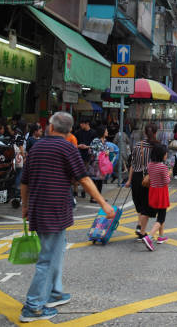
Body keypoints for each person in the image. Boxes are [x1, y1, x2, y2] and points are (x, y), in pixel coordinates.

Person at [19, 112, 113, 322]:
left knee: (57, 251)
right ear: (69, 131)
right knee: (47, 258)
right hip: (54, 211)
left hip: (40, 209)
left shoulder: (36, 147)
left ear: (51, 128)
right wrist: (103, 203)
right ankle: (33, 306)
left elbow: (24, 181)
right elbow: (85, 179)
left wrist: (25, 206)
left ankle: (53, 292)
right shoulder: (67, 147)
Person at [125, 123, 158, 241]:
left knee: (138, 203)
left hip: (136, 177)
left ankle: (139, 226)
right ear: (155, 133)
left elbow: (132, 165)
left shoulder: (137, 146)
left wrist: (129, 180)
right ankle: (142, 230)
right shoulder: (156, 146)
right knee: (147, 205)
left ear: (144, 133)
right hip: (149, 178)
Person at [142, 144, 171, 251]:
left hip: (153, 191)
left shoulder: (150, 165)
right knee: (161, 217)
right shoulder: (163, 167)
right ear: (161, 155)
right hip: (161, 193)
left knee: (158, 214)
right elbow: (166, 181)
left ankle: (161, 237)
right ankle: (149, 237)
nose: (166, 155)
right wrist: (169, 173)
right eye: (165, 153)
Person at [88, 125, 109, 202]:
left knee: (100, 181)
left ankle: (99, 197)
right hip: (95, 165)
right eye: (106, 130)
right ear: (102, 132)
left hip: (102, 164)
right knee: (94, 181)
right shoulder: (96, 140)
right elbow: (90, 151)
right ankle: (93, 198)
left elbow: (106, 149)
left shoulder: (105, 141)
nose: (107, 132)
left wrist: (107, 152)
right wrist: (102, 154)